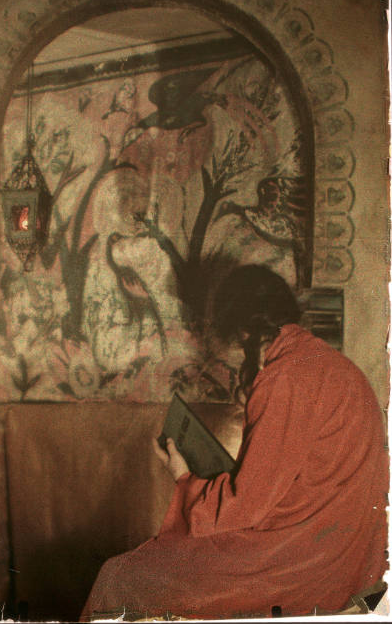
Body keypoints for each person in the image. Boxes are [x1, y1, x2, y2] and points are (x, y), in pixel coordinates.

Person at [81, 265, 388, 620]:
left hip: (302, 567)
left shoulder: (285, 376)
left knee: (120, 577)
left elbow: (246, 506)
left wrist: (183, 476)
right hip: (344, 559)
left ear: (243, 330)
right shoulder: (327, 363)